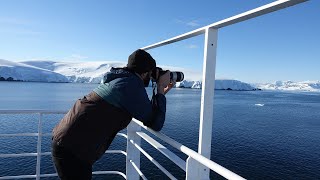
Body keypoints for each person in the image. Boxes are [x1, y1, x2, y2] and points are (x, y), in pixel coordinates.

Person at [51, 49, 175, 180]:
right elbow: (156, 123)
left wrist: (161, 93)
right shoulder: (131, 86)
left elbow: (144, 110)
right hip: (72, 149)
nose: (151, 77)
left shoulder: (121, 79)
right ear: (145, 73)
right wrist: (160, 88)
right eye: (150, 73)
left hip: (67, 142)